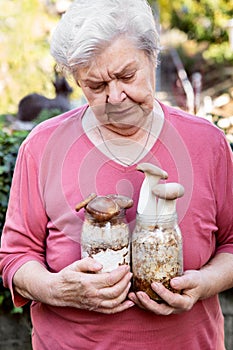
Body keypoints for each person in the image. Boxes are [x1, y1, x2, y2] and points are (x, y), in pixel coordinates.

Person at [0, 0, 233, 349]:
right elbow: (15, 257)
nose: (115, 96)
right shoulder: (43, 146)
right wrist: (55, 289)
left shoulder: (208, 144)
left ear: (152, 58)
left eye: (127, 76)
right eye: (95, 85)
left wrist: (206, 282)